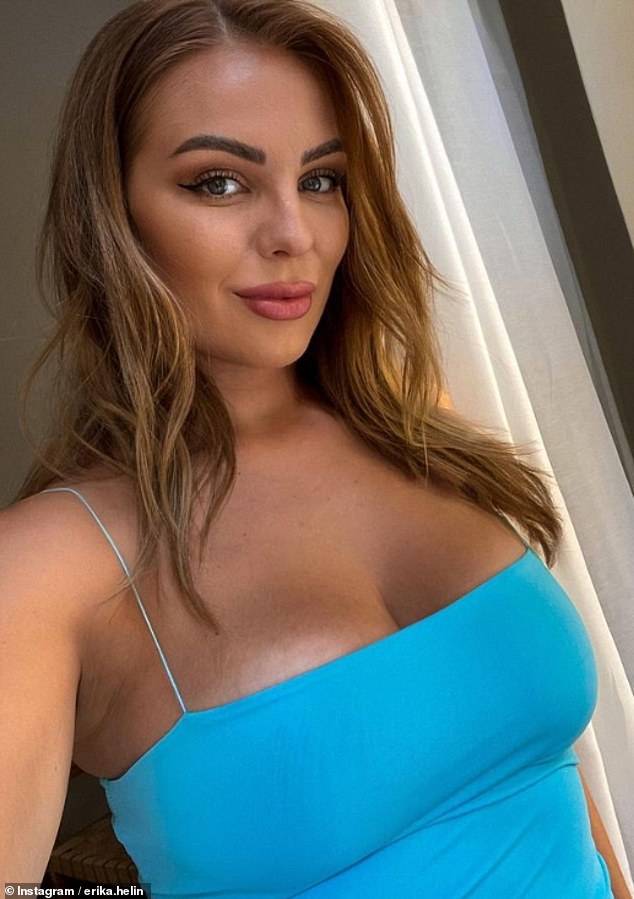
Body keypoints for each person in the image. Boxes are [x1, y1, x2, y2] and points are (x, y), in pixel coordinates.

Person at [0, 0, 630, 896]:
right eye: (219, 183)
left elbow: (556, 791)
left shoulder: (412, 426)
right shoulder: (50, 567)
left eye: (322, 180)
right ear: (111, 213)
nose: (294, 235)